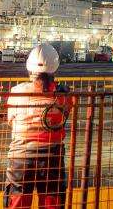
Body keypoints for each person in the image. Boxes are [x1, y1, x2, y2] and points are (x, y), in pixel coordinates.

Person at [6, 43, 74, 209]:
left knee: (18, 199)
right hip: (52, 153)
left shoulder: (17, 92)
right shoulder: (64, 96)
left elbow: (11, 121)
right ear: (55, 68)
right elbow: (65, 114)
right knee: (52, 199)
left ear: (29, 67)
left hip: (20, 153)